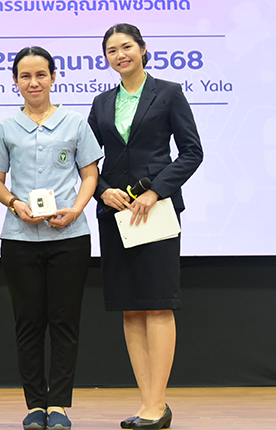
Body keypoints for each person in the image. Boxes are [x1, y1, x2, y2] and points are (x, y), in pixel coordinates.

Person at [87, 24, 203, 430]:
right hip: (116, 214)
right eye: (111, 50)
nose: (120, 55)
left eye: (126, 47)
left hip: (156, 211)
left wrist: (156, 191)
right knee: (131, 307)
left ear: (142, 49)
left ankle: (157, 404)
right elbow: (87, 159)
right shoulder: (102, 102)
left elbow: (192, 152)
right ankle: (146, 403)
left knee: (157, 303)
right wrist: (102, 191)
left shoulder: (168, 93)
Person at [0, 47, 103, 430]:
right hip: (20, 239)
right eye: (25, 76)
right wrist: (15, 203)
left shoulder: (75, 123)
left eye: (40, 75)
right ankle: (36, 404)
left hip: (69, 236)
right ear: (15, 81)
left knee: (64, 322)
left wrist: (77, 209)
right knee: (29, 323)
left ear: (53, 77)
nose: (33, 82)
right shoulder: (6, 128)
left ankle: (60, 406)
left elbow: (90, 174)